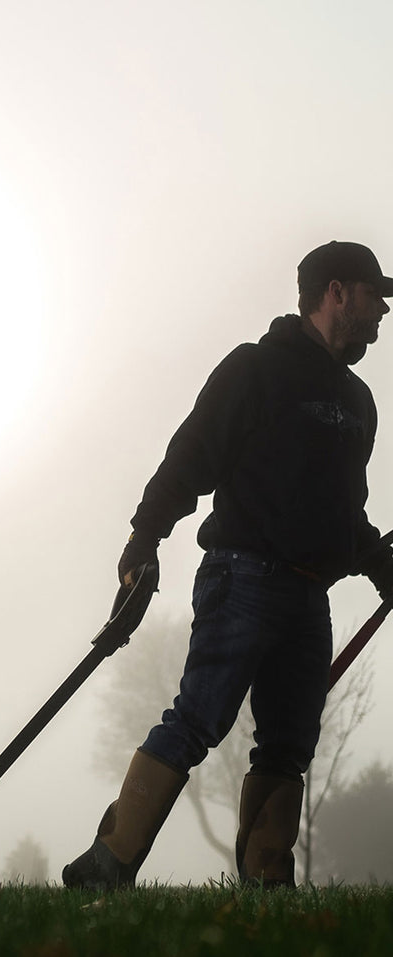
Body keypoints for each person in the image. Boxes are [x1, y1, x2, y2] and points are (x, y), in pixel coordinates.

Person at [63, 240, 393, 890]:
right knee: (199, 719)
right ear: (336, 292)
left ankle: (267, 886)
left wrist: (382, 564)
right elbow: (189, 459)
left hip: (308, 599)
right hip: (242, 578)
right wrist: (143, 540)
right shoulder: (254, 371)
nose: (384, 312)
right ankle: (109, 863)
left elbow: (342, 515)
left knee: (289, 747)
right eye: (376, 296)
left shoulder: (359, 403)